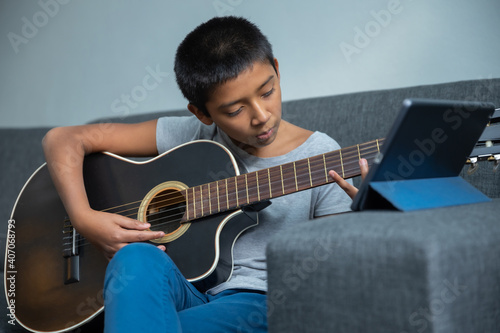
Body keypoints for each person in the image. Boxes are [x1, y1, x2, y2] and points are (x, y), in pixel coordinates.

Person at [42, 16, 368, 333]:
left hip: (257, 303)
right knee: (133, 257)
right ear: (202, 112)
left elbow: (333, 268)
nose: (261, 116)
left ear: (277, 71)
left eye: (267, 91)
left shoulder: (322, 155)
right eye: (235, 110)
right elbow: (62, 139)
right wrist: (84, 218)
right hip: (183, 291)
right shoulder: (192, 135)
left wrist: (366, 219)